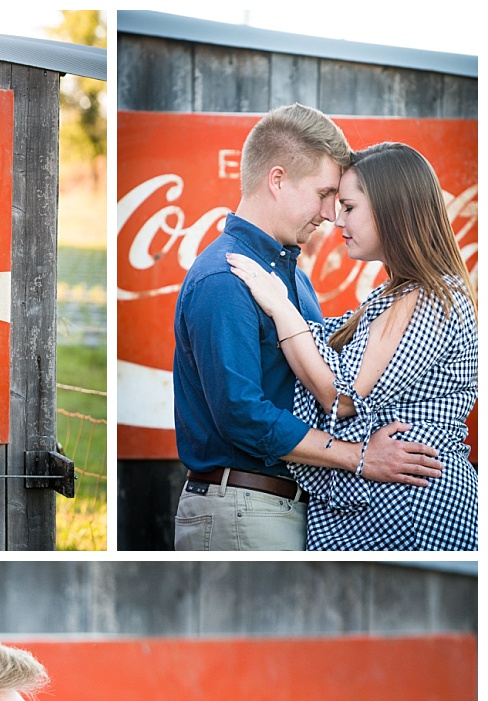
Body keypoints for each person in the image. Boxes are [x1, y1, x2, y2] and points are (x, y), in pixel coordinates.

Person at [171, 106, 443, 551]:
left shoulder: (291, 275)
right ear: (277, 180)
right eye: (323, 193)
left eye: (339, 199)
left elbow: (335, 383)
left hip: (283, 508)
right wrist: (359, 457)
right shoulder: (225, 277)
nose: (330, 214)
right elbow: (241, 414)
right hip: (243, 506)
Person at [227, 140, 477, 550]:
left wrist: (279, 306)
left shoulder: (428, 298)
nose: (336, 219)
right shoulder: (397, 294)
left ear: (392, 208)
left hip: (413, 509)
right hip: (389, 506)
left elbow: (342, 397)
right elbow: (327, 347)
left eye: (348, 206)